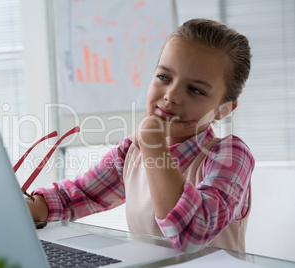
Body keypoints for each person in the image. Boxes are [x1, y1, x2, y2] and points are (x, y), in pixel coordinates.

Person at [26, 18, 254, 253]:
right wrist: (22, 206)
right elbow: (77, 196)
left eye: (195, 90)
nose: (171, 95)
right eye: (164, 77)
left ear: (224, 109)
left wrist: (153, 143)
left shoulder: (231, 155)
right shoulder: (132, 151)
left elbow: (191, 233)